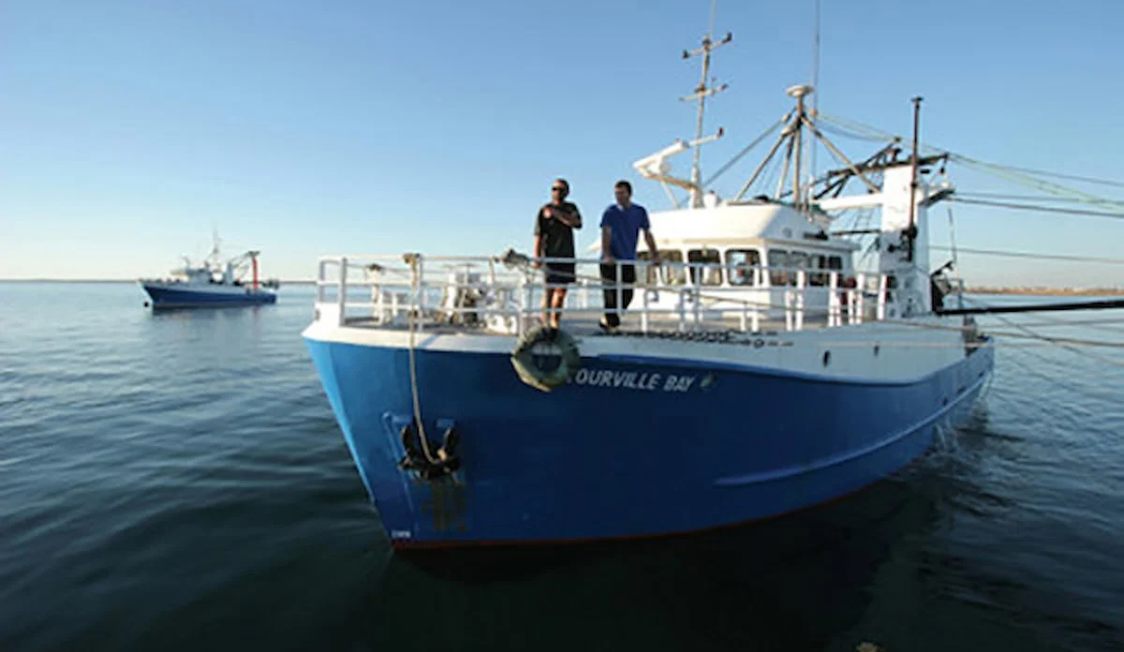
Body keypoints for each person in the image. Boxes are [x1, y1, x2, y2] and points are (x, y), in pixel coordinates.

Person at [599, 180, 659, 330]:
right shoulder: (610, 212)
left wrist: (655, 254)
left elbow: (647, 234)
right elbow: (606, 233)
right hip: (610, 260)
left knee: (628, 294)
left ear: (629, 194)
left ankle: (608, 320)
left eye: (621, 193)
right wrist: (607, 254)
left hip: (628, 258)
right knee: (610, 295)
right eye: (616, 193)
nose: (618, 196)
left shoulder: (639, 212)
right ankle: (611, 326)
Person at [533, 178, 582, 329]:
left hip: (566, 255)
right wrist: (537, 256)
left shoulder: (571, 208)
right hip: (550, 255)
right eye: (554, 189)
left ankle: (555, 322)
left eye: (561, 189)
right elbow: (538, 235)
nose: (557, 192)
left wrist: (556, 213)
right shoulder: (543, 210)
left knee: (561, 292)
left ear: (567, 192)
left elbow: (577, 223)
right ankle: (545, 321)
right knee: (549, 290)